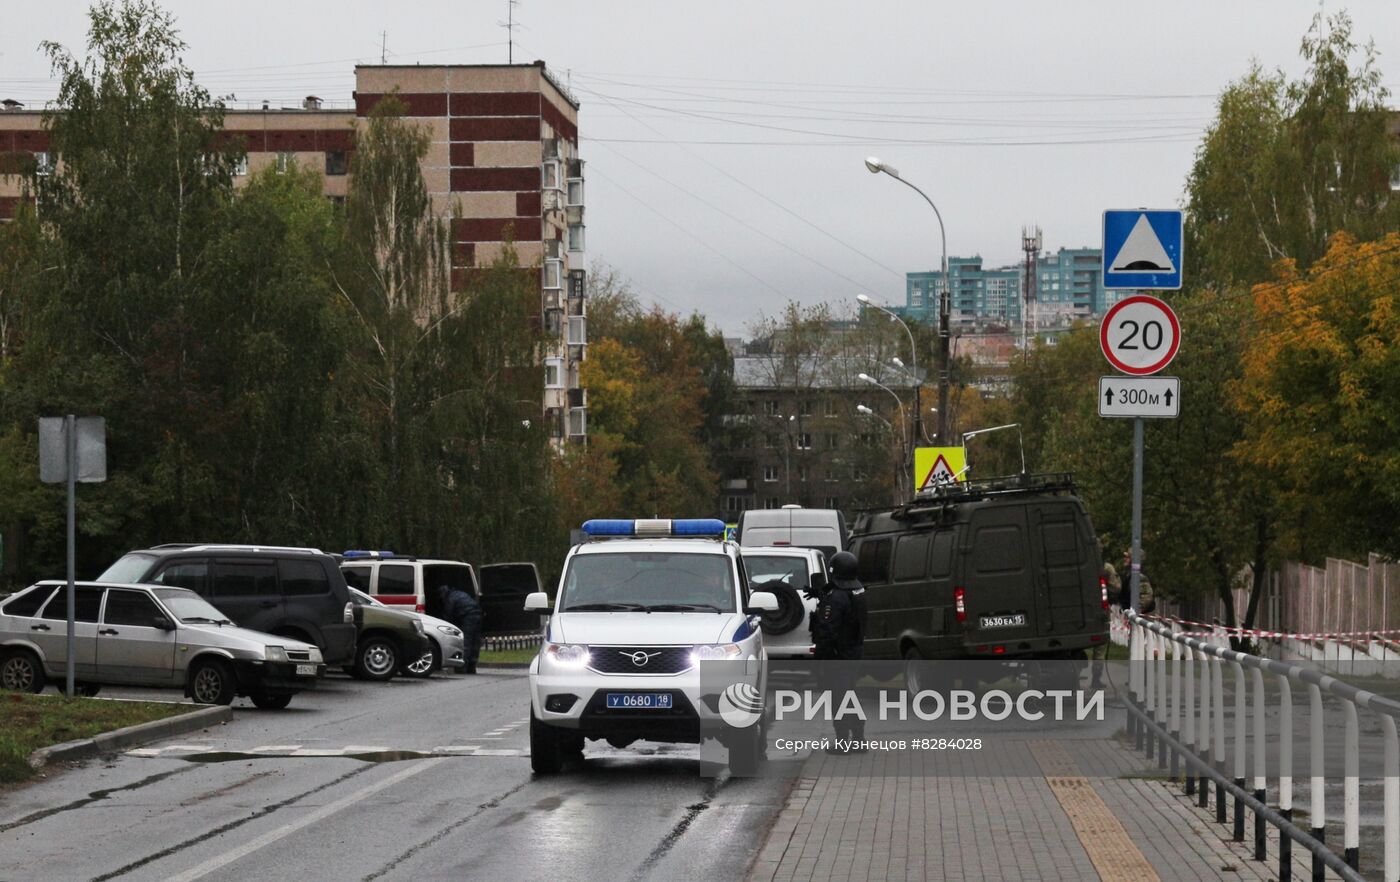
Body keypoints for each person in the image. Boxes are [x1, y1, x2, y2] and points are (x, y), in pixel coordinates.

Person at [810, 551, 867, 752]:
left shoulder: (836, 598)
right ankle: (858, 738)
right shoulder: (859, 590)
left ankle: (843, 740)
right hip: (854, 651)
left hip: (837, 655)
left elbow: (828, 630)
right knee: (849, 694)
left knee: (838, 697)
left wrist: (819, 659)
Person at [437, 584, 483, 674]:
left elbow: (448, 616)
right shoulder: (459, 593)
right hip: (478, 614)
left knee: (466, 642)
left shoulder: (450, 599)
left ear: (443, 594)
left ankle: (462, 667)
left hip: (468, 617)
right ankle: (472, 666)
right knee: (475, 641)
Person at [1118, 549, 1156, 615]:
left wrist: (1135, 612)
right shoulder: (1130, 574)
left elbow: (1145, 598)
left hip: (1136, 618)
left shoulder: (1139, 576)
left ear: (1134, 559)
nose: (1124, 559)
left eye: (1127, 557)